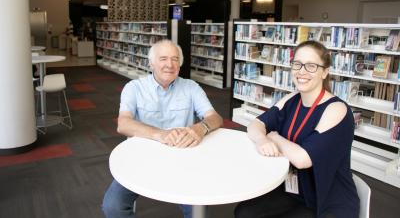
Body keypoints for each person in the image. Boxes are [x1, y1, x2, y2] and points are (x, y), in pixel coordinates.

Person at [234, 41, 359, 218]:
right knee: (244, 213)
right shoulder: (292, 99)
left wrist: (275, 138)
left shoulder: (336, 109)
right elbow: (255, 125)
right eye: (297, 64)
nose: (301, 71)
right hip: (295, 190)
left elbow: (303, 159)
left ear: (325, 71)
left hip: (328, 200)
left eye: (311, 66)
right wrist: (262, 139)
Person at [102, 40, 223, 218]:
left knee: (199, 212)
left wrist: (200, 128)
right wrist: (160, 134)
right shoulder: (134, 88)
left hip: (183, 159)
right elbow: (123, 124)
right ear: (151, 63)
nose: (170, 65)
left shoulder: (191, 87)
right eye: (163, 58)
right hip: (141, 158)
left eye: (175, 59)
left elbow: (215, 118)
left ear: (180, 65)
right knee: (113, 207)